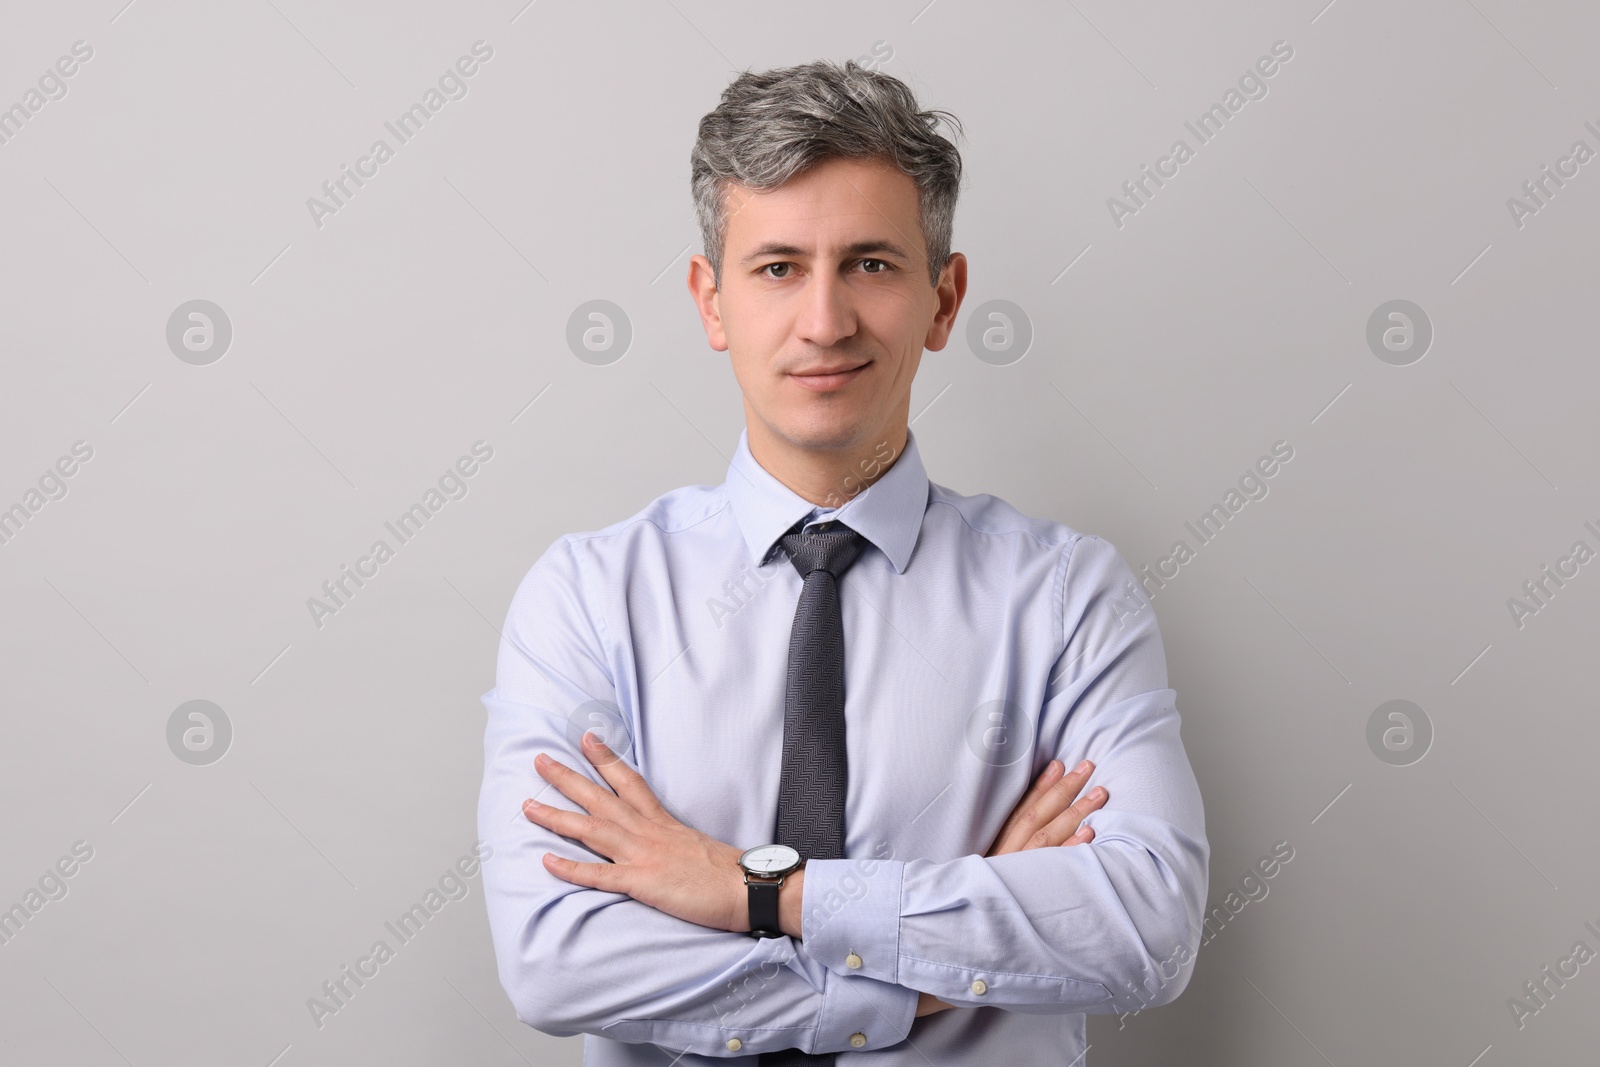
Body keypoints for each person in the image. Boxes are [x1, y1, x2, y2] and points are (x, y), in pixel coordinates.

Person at [477, 58, 1208, 1065]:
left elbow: (1142, 928)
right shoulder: (590, 597)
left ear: (944, 299)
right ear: (711, 301)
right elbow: (559, 961)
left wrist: (755, 890)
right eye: (777, 267)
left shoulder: (1067, 597)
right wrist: (924, 980)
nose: (824, 321)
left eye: (870, 263)